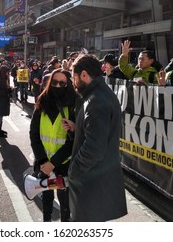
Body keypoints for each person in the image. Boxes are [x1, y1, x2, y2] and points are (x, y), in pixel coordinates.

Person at [62, 54, 127, 222]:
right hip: (94, 181)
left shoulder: (96, 100)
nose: (73, 82)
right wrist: (77, 128)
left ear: (84, 75)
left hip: (92, 185)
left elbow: (94, 148)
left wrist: (73, 172)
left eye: (73, 77)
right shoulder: (98, 94)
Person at [30, 68, 77, 222]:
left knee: (65, 204)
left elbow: (73, 141)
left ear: (67, 84)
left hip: (63, 164)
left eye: (62, 83)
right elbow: (34, 134)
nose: (57, 86)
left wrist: (53, 163)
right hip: (43, 164)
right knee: (46, 199)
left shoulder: (73, 105)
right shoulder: (42, 101)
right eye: (54, 82)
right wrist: (44, 162)